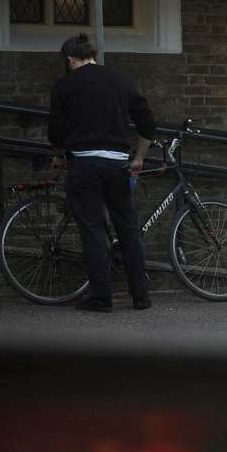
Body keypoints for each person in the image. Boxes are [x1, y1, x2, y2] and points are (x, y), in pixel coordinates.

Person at [48, 34, 155, 312]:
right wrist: (139, 158)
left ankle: (101, 297)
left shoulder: (64, 85)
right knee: (128, 229)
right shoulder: (122, 81)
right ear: (92, 55)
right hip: (118, 163)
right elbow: (147, 124)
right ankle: (140, 296)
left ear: (70, 59)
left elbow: (56, 132)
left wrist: (60, 156)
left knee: (93, 230)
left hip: (83, 165)